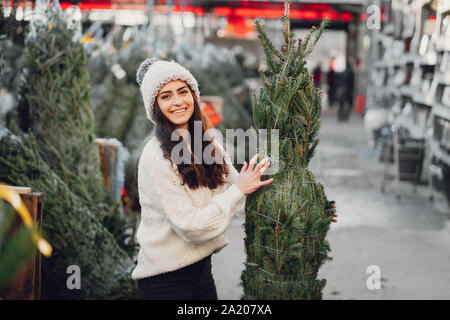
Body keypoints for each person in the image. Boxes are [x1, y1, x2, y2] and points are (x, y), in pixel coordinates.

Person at [131, 58, 274, 300]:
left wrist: (304, 208)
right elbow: (191, 227)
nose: (177, 101)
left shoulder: (208, 142)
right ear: (154, 106)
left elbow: (239, 194)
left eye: (182, 91)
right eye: (165, 96)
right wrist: (238, 190)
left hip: (201, 272)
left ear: (194, 96)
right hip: (165, 282)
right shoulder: (156, 156)